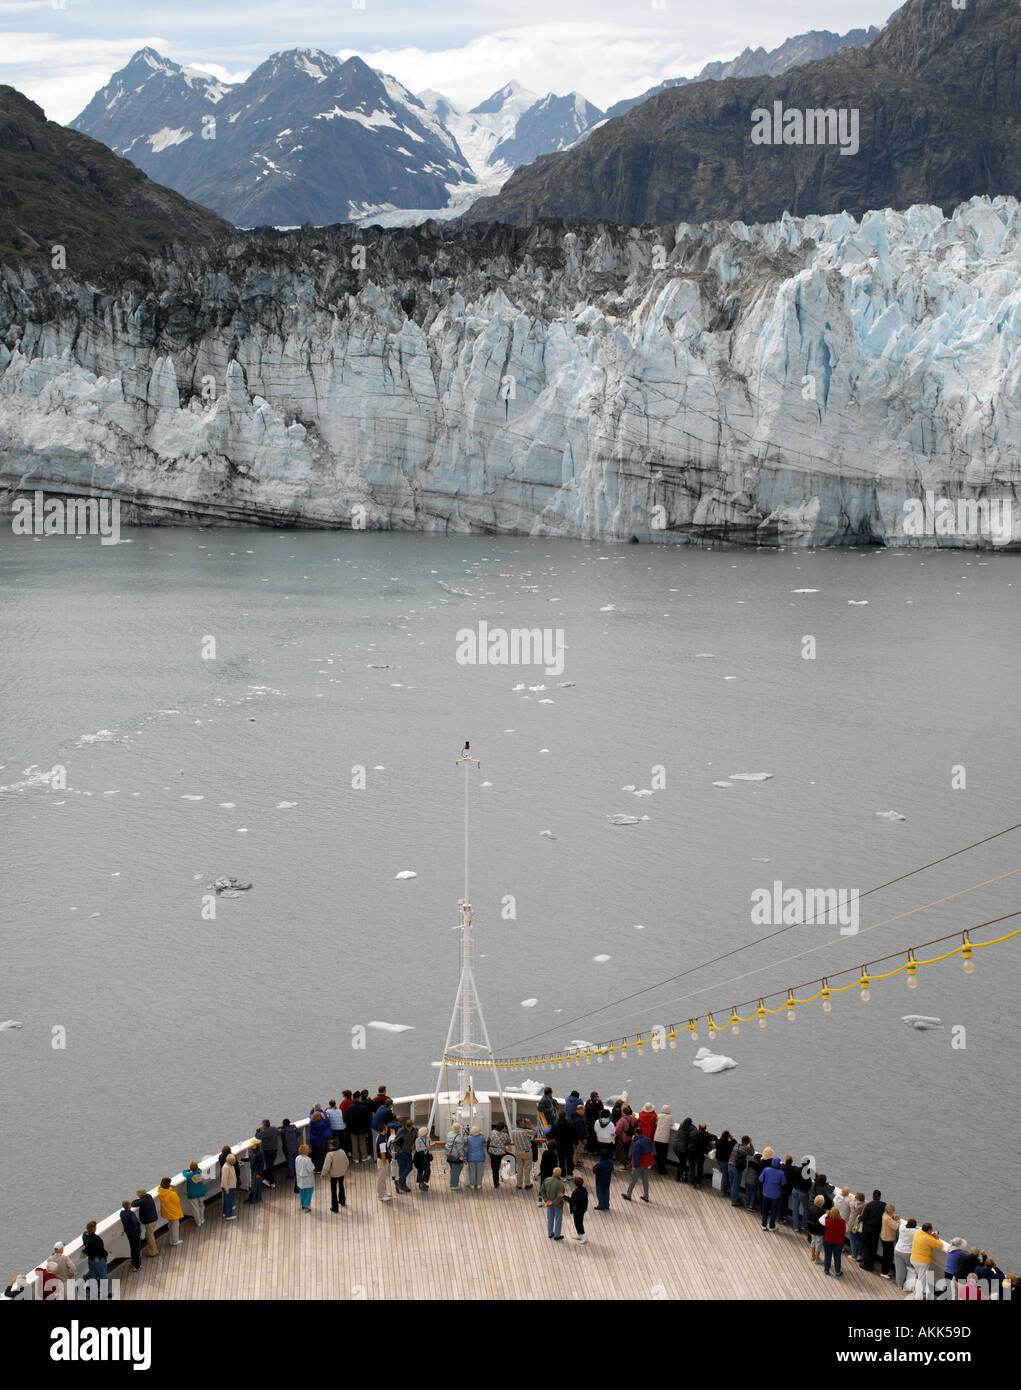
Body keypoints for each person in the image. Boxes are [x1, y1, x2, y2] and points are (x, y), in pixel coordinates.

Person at [909, 1222, 944, 1299]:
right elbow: (940, 1245)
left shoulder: (918, 1232)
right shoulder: (929, 1239)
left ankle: (916, 1292)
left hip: (913, 1258)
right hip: (922, 1262)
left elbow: (925, 1236)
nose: (932, 1231)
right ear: (929, 1231)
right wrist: (937, 1238)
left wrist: (931, 1235)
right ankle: (918, 1297)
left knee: (919, 1277)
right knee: (921, 1280)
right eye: (931, 1230)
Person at [623, 1128, 655, 1202]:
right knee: (645, 1180)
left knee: (633, 1180)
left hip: (639, 1164)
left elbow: (636, 1155)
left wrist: (634, 1165)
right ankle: (646, 1196)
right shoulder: (647, 1140)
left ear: (636, 1133)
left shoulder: (637, 1143)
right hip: (646, 1163)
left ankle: (628, 1195)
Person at [758, 1151, 787, 1229]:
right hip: (775, 1194)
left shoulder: (766, 1169)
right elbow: (784, 1183)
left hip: (766, 1192)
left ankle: (764, 1225)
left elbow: (760, 1179)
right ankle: (772, 1226)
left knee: (765, 1210)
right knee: (774, 1210)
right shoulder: (781, 1173)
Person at [81, 1222, 111, 1298]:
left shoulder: (85, 1237)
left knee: (93, 1276)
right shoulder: (96, 1239)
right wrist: (106, 1254)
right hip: (98, 1259)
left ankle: (94, 1293)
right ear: (94, 1228)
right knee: (103, 1276)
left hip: (91, 1259)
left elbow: (84, 1234)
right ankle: (105, 1293)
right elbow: (100, 1250)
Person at [859, 1190, 886, 1272]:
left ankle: (866, 1265)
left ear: (873, 1196)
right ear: (880, 1196)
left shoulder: (869, 1205)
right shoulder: (883, 1205)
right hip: (877, 1229)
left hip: (867, 1229)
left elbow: (863, 1217)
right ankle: (871, 1264)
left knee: (867, 1247)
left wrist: (859, 1217)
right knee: (874, 1247)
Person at [322, 1140, 349, 1212]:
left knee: (333, 1190)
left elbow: (326, 1167)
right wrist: (344, 1170)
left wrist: (323, 1174)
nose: (329, 1146)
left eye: (330, 1145)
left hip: (333, 1175)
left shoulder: (329, 1154)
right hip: (342, 1173)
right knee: (341, 1186)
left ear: (332, 1146)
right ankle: (342, 1201)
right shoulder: (342, 1151)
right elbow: (347, 1162)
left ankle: (335, 1207)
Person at [157, 1177, 184, 1245]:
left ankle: (171, 1240)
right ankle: (175, 1241)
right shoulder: (171, 1194)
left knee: (171, 1225)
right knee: (175, 1227)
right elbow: (177, 1201)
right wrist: (173, 1191)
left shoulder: (160, 1191)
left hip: (167, 1211)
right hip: (173, 1212)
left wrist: (170, 1186)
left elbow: (162, 1186)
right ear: (168, 1184)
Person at [344, 1096, 372, 1163]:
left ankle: (356, 1158)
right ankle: (364, 1157)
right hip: (362, 1129)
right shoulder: (364, 1108)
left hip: (352, 1129)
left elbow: (345, 1118)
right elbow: (369, 1118)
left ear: (353, 1099)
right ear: (359, 1099)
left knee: (354, 1143)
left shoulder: (350, 1108)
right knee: (363, 1143)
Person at [541, 1166, 566, 1240]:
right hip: (558, 1205)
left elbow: (542, 1191)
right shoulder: (560, 1184)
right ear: (559, 1174)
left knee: (550, 1219)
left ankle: (550, 1233)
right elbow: (560, 1196)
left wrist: (547, 1201)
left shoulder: (546, 1180)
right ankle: (557, 1235)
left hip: (549, 1204)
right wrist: (553, 1202)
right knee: (558, 1220)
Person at [179, 1162, 206, 1227]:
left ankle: (198, 1222)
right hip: (201, 1193)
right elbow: (199, 1169)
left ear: (191, 1168)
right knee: (201, 1206)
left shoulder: (189, 1176)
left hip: (193, 1194)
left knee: (195, 1208)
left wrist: (188, 1170)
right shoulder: (200, 1172)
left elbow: (183, 1173)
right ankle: (202, 1219)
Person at [394, 1118, 417, 1193]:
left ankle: (399, 1182)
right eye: (409, 1127)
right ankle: (403, 1185)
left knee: (409, 1167)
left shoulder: (414, 1130)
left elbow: (416, 1139)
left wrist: (414, 1144)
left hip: (408, 1152)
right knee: (402, 1169)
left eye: (411, 1127)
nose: (410, 1128)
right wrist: (399, 1150)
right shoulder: (401, 1131)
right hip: (401, 1153)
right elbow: (395, 1142)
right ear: (406, 1126)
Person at [894, 1217, 917, 1289]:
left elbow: (901, 1223)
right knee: (911, 1269)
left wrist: (899, 1218)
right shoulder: (914, 1232)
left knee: (899, 1269)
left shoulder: (902, 1228)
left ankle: (899, 1285)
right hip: (908, 1253)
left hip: (898, 1250)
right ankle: (909, 1285)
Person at [552, 1110, 577, 1178]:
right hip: (569, 1145)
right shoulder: (571, 1124)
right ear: (566, 1116)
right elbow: (575, 1135)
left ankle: (563, 1175)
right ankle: (570, 1174)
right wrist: (576, 1144)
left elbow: (551, 1134)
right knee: (569, 1160)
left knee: (561, 1160)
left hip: (560, 1146)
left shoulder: (556, 1125)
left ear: (558, 1117)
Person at [511, 1117, 535, 1189]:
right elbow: (534, 1131)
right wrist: (529, 1123)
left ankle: (519, 1184)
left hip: (518, 1151)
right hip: (526, 1152)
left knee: (520, 1168)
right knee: (527, 1168)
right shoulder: (525, 1132)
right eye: (523, 1122)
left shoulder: (513, 1131)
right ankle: (527, 1184)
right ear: (521, 1123)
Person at [119, 1201, 142, 1271]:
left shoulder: (122, 1213)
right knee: (137, 1249)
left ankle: (133, 1261)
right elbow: (135, 1223)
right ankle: (137, 1265)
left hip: (128, 1233)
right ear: (129, 1206)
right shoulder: (131, 1214)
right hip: (135, 1233)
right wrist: (138, 1228)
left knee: (132, 1247)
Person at [823, 1207, 847, 1276]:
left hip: (828, 1240)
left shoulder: (827, 1221)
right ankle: (838, 1271)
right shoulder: (843, 1222)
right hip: (839, 1242)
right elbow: (846, 1230)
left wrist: (826, 1214)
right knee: (837, 1257)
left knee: (828, 1255)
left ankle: (827, 1269)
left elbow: (820, 1220)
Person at [731, 1135, 754, 1206]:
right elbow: (752, 1152)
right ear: (747, 1142)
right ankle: (734, 1201)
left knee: (732, 1184)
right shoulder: (746, 1148)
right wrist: (751, 1143)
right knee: (735, 1185)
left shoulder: (736, 1145)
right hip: (736, 1167)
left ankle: (733, 1197)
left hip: (730, 1165)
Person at [487, 1122, 512, 1187]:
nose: (506, 1129)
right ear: (503, 1128)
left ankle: (496, 1183)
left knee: (495, 1168)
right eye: (505, 1128)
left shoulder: (492, 1132)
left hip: (492, 1151)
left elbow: (489, 1139)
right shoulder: (505, 1135)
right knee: (512, 1157)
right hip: (500, 1152)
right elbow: (509, 1141)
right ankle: (510, 1170)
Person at [879, 1203, 900, 1279]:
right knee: (887, 1257)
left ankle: (886, 1271)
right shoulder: (887, 1218)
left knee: (888, 1256)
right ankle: (884, 1272)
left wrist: (893, 1216)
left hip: (884, 1237)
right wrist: (898, 1221)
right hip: (887, 1239)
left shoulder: (885, 1214)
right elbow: (895, 1227)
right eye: (893, 1211)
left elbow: (890, 1217)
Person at [672, 1116, 695, 1182]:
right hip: (683, 1148)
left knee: (682, 1162)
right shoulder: (691, 1128)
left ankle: (682, 1176)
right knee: (682, 1163)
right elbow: (692, 1137)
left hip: (675, 1146)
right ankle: (679, 1177)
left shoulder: (681, 1126)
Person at [309, 1107, 332, 1171]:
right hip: (319, 1141)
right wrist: (324, 1116)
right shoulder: (321, 1124)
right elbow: (327, 1124)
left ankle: (314, 1168)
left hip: (312, 1141)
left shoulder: (311, 1122)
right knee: (320, 1155)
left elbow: (310, 1115)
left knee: (314, 1155)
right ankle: (319, 1169)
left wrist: (312, 1110)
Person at [653, 1105, 674, 1176]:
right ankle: (662, 1169)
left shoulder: (658, 1115)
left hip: (657, 1137)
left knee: (658, 1154)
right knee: (663, 1155)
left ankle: (658, 1168)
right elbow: (672, 1124)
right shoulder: (670, 1117)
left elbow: (655, 1123)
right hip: (664, 1139)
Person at [445, 1122, 466, 1189]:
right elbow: (460, 1148)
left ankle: (453, 1182)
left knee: (453, 1169)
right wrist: (462, 1156)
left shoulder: (449, 1134)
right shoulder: (459, 1137)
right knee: (456, 1170)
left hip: (449, 1154)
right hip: (456, 1156)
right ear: (459, 1128)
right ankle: (454, 1185)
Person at [568, 1175, 589, 1243]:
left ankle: (583, 1235)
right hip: (583, 1208)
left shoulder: (576, 1192)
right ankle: (579, 1234)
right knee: (578, 1222)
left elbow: (572, 1201)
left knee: (578, 1222)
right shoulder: (584, 1189)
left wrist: (564, 1197)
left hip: (578, 1210)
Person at [537, 1138, 559, 1203]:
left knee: (542, 1186)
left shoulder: (545, 1153)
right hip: (551, 1173)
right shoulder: (554, 1155)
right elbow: (555, 1165)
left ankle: (540, 1201)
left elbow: (542, 1163)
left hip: (544, 1172)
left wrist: (541, 1170)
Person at [295, 1144, 316, 1210]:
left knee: (302, 1192)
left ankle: (303, 1204)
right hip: (308, 1179)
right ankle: (306, 1205)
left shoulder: (297, 1158)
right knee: (309, 1192)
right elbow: (311, 1169)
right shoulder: (308, 1159)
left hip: (299, 1179)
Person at [807, 1195, 827, 1263]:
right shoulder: (822, 1212)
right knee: (818, 1243)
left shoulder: (811, 1208)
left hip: (812, 1229)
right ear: (822, 1202)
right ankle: (817, 1258)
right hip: (819, 1230)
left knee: (813, 1241)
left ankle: (813, 1255)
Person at [847, 1191, 866, 1259]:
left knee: (853, 1239)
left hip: (853, 1224)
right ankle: (859, 1255)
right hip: (860, 1224)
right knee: (859, 1240)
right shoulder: (865, 1205)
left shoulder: (852, 1204)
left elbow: (852, 1203)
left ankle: (854, 1255)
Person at [220, 1155, 238, 1219]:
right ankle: (229, 1215)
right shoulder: (226, 1167)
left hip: (231, 1186)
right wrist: (226, 1189)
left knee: (226, 1201)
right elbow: (224, 1179)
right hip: (229, 1187)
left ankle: (225, 1213)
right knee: (229, 1201)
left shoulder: (229, 1165)